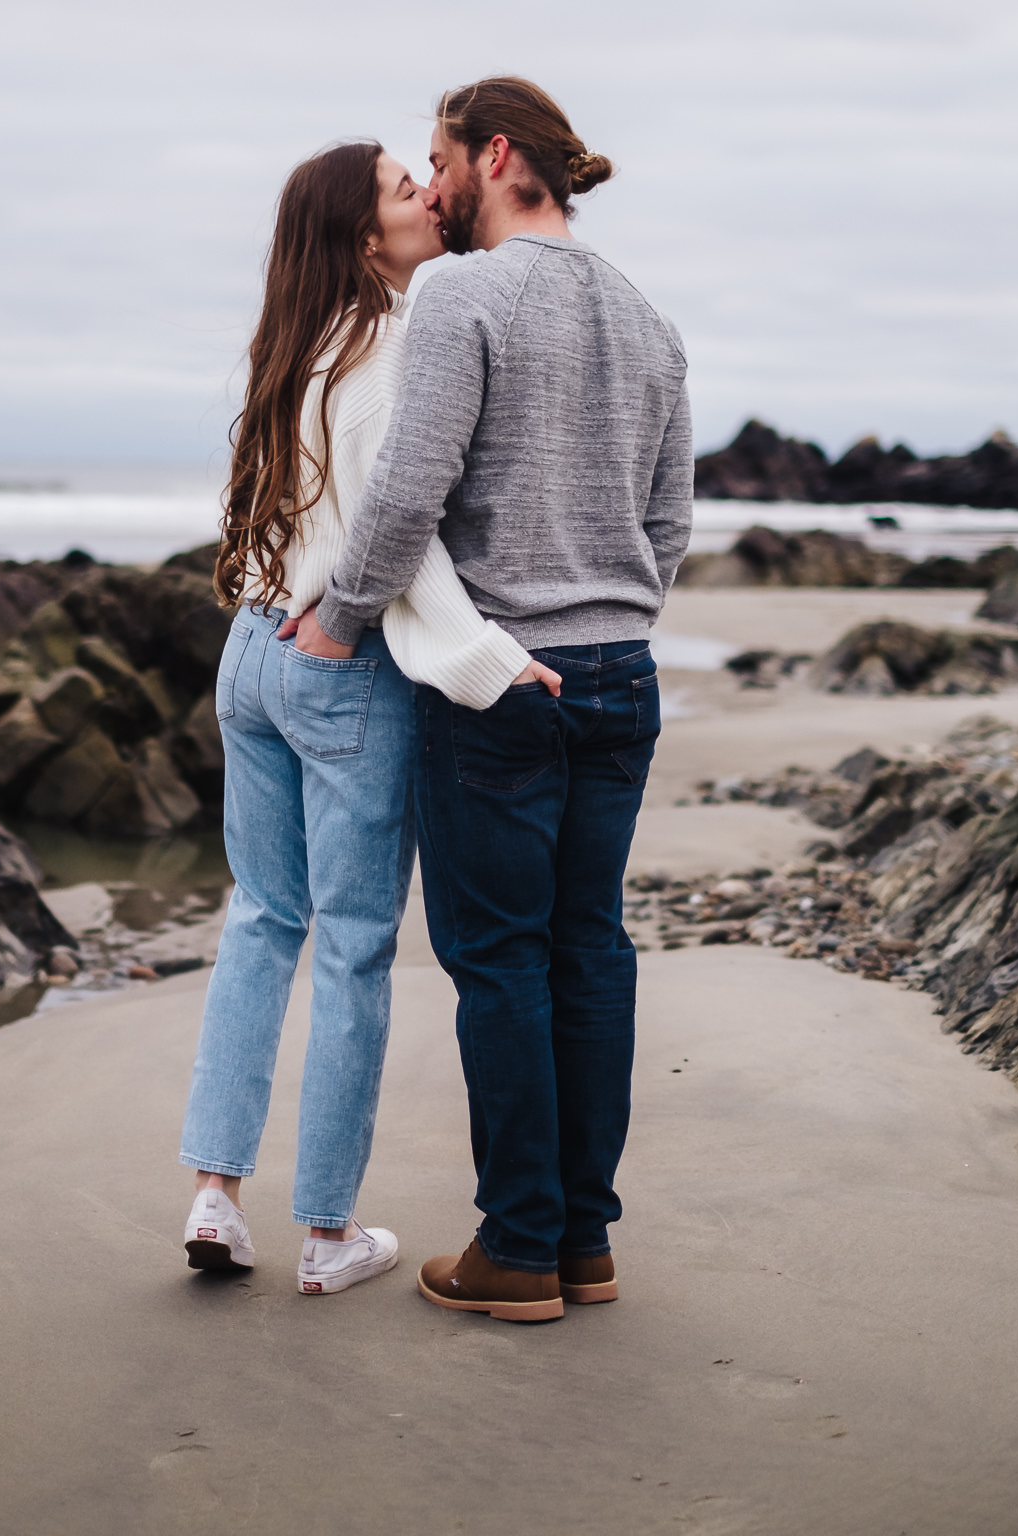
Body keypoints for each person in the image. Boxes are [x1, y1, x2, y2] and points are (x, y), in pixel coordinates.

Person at [293, 77, 693, 1322]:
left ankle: (517, 1246)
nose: (432, 182)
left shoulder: (462, 292)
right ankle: (584, 1242)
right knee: (592, 950)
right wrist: (616, 618)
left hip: (501, 680)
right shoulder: (649, 315)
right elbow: (670, 522)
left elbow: (409, 489)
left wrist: (340, 615)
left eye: (438, 157)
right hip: (622, 674)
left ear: (496, 153)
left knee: (501, 960)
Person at [179, 139, 558, 1298]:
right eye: (405, 190)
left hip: (250, 650)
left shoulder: (289, 347)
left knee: (260, 921)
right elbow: (398, 536)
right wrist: (494, 659)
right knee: (349, 944)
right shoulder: (394, 344)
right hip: (336, 665)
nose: (429, 197)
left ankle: (214, 1194)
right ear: (362, 237)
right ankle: (329, 1229)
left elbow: (307, 520)